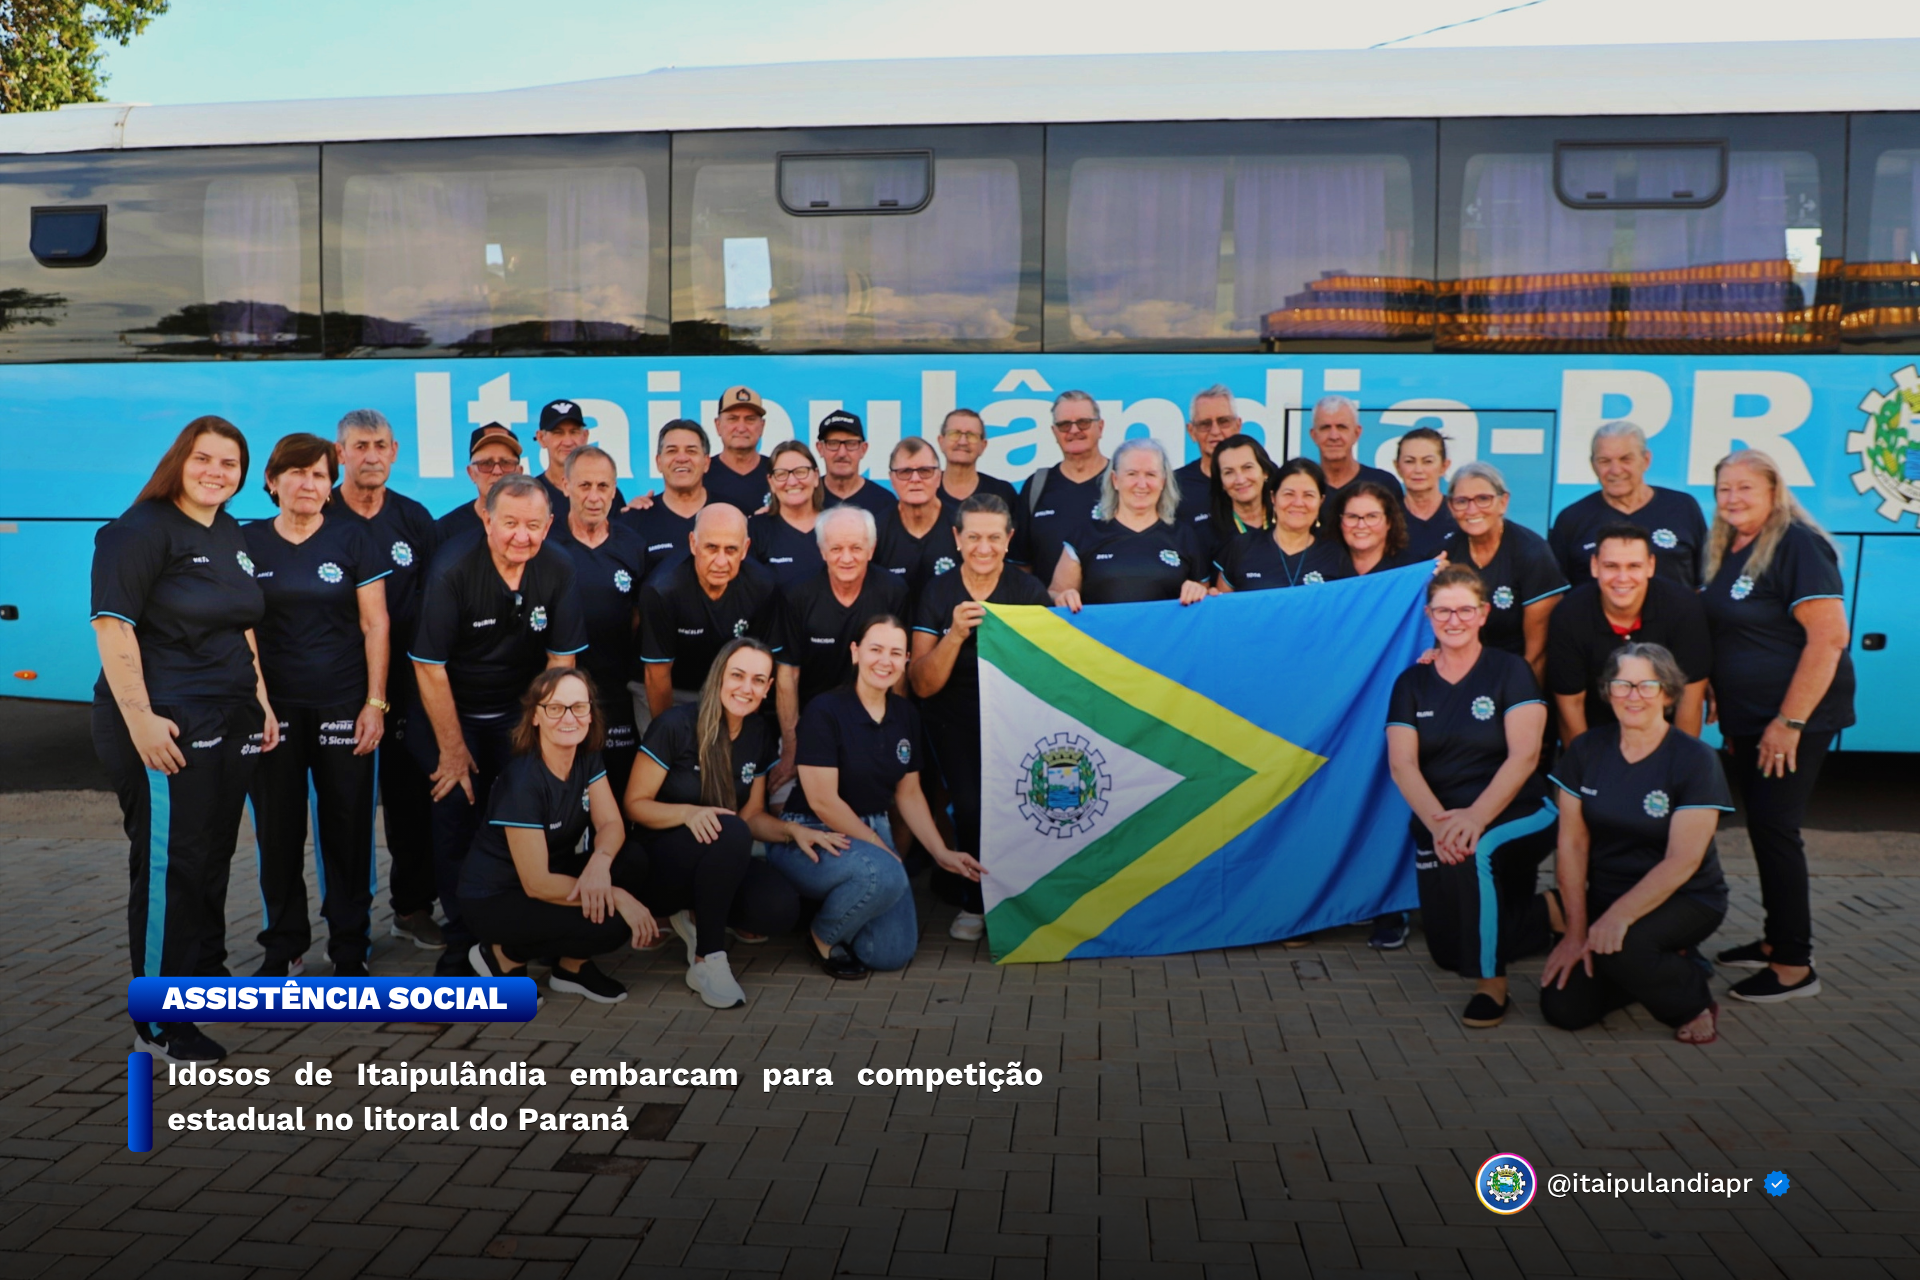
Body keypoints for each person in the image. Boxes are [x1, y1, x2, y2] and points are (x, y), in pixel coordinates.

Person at [91, 416, 279, 1064]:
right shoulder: (137, 531)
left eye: (229, 463)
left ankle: (202, 978)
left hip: (230, 714)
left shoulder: (227, 529)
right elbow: (113, 628)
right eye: (204, 458)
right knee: (173, 864)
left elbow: (241, 624)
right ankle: (159, 1022)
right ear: (180, 460)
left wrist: (261, 700)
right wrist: (140, 719)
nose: (216, 472)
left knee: (211, 855)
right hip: (168, 719)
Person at [410, 473, 587, 974]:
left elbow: (560, 664)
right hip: (451, 712)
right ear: (486, 519)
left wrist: (548, 737)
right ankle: (461, 946)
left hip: (518, 714)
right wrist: (453, 750)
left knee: (525, 820)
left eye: (533, 525)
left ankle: (521, 935)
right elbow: (429, 667)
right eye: (510, 523)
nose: (521, 536)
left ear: (549, 525)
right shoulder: (452, 568)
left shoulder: (558, 566)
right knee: (456, 823)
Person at [1700, 448, 1854, 1004]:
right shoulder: (1731, 546)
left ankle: (1793, 965)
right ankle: (1774, 940)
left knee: (1776, 829)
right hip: (1750, 719)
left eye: (1746, 487)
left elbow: (1829, 638)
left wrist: (1788, 722)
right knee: (1765, 829)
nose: (1733, 498)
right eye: (1725, 489)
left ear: (1773, 491)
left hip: (1791, 719)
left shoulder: (1797, 544)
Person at [244, 433, 391, 979]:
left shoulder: (354, 538)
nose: (308, 484)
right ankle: (283, 945)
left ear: (331, 485)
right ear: (272, 480)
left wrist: (374, 703)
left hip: (343, 706)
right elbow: (241, 628)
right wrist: (258, 703)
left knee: (348, 830)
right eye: (297, 472)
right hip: (273, 712)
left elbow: (376, 624)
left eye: (320, 474)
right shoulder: (246, 541)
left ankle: (350, 944)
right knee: (277, 832)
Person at [1385, 565, 1558, 1029]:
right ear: (1428, 615)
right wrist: (1440, 823)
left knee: (1472, 851)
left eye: (1464, 610)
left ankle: (1491, 983)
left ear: (1483, 613)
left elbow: (1524, 757)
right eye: (1443, 611)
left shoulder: (1510, 670)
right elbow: (1402, 765)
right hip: (1441, 816)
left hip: (1519, 809)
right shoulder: (1411, 682)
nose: (1454, 620)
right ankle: (1549, 912)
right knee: (1446, 950)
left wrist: (1475, 818)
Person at [770, 615, 986, 976]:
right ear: (856, 653)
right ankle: (821, 937)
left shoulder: (905, 714)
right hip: (812, 832)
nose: (885, 661)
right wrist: (878, 847)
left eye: (896, 653)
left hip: (873, 828)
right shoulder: (824, 710)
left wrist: (940, 851)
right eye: (876, 649)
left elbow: (910, 793)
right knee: (883, 873)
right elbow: (823, 801)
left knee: (890, 953)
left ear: (905, 661)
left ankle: (840, 902)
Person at [1540, 644, 1731, 1044]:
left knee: (1625, 948)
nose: (1633, 696)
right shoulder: (1586, 750)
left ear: (1667, 693)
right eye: (1622, 685)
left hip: (1687, 897)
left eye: (1647, 685)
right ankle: (1640, 972)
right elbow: (1572, 845)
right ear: (1607, 691)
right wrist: (1576, 933)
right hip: (1608, 892)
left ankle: (1691, 998)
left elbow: (1683, 860)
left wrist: (1617, 917)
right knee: (1564, 1008)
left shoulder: (1695, 758)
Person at [624, 638, 813, 1008]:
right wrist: (688, 813)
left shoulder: (758, 732)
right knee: (730, 831)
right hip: (661, 861)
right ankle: (707, 960)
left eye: (758, 680)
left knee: (779, 908)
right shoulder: (675, 725)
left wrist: (791, 830)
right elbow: (634, 805)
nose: (746, 688)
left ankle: (701, 912)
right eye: (737, 675)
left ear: (768, 688)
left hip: (720, 853)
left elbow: (751, 816)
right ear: (718, 677)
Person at [462, 668, 657, 1003]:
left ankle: (571, 969)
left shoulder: (586, 755)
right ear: (535, 716)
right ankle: (502, 955)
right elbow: (537, 883)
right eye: (555, 708)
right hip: (497, 896)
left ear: (591, 713)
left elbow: (611, 823)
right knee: (611, 923)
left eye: (579, 707)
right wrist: (616, 896)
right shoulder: (523, 782)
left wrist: (600, 862)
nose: (569, 718)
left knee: (632, 860)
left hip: (552, 876)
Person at [911, 493, 1052, 941]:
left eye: (994, 538)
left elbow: (1049, 671)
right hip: (951, 719)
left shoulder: (1029, 592)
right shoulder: (937, 591)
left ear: (1009, 539)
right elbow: (921, 684)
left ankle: (1020, 901)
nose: (984, 548)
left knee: (1023, 806)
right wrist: (954, 635)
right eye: (973, 537)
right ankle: (975, 902)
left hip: (1014, 720)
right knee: (970, 808)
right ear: (957, 538)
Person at [331, 408, 445, 951]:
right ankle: (344, 929)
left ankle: (412, 907)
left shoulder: (413, 519)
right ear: (341, 454)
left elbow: (436, 603)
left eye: (380, 445)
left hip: (403, 688)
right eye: (360, 446)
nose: (371, 456)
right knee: (344, 812)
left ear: (395, 452)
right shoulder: (322, 511)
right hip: (335, 686)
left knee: (409, 803)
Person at [770, 505, 908, 791]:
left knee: (888, 797)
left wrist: (894, 732)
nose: (846, 558)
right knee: (783, 800)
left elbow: (899, 672)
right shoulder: (797, 595)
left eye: (856, 548)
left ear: (871, 549)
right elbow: (788, 675)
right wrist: (792, 747)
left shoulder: (893, 591)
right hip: (810, 721)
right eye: (836, 549)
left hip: (873, 721)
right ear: (822, 551)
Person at [546, 445, 649, 799]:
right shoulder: (545, 544)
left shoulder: (633, 544)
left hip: (617, 695)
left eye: (603, 486)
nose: (594, 497)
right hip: (560, 693)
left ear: (614, 489)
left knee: (617, 791)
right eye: (584, 485)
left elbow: (637, 616)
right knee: (564, 791)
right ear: (565, 486)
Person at [1545, 523, 1709, 741]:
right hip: (1596, 735)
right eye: (1611, 566)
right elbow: (1570, 706)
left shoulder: (1683, 609)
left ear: (1650, 566)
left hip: (1664, 735)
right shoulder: (1569, 615)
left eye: (1634, 566)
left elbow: (1690, 700)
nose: (1622, 578)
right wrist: (1584, 761)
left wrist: (1678, 759)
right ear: (1594, 566)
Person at [637, 504, 779, 718]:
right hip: (670, 688)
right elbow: (657, 673)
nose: (721, 562)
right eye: (711, 548)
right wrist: (666, 733)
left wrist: (743, 726)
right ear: (693, 544)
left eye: (731, 550)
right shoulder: (662, 590)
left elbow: (757, 664)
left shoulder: (763, 586)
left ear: (745, 549)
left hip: (731, 689)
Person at [1050, 438, 1210, 610]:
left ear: (1163, 481)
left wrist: (1198, 591)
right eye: (1132, 474)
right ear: (1115, 480)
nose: (1141, 484)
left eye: (1151, 474)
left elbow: (1206, 600)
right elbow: (1055, 593)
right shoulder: (1084, 536)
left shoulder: (1184, 536)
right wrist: (1063, 597)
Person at [1549, 421, 1707, 589]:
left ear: (1646, 460)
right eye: (1604, 461)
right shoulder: (1571, 519)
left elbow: (1703, 584)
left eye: (1625, 459)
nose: (1615, 470)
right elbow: (1558, 592)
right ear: (1593, 465)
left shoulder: (1683, 508)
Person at [1447, 461, 1566, 681]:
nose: (1472, 510)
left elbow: (1537, 654)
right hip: (1460, 674)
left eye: (1483, 499)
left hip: (1515, 674)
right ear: (1451, 507)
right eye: (1462, 501)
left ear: (1503, 502)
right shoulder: (1445, 553)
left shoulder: (1533, 553)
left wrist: (1520, 696)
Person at [1213, 457, 1347, 592]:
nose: (1298, 503)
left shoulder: (1335, 556)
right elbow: (1222, 602)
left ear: (1321, 501)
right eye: (1289, 494)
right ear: (1273, 498)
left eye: (1308, 495)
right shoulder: (1242, 547)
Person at [1017, 390, 1110, 584]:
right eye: (1064, 425)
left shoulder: (1123, 482)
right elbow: (1021, 564)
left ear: (1100, 427)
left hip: (1111, 604)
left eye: (1083, 422)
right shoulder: (1037, 486)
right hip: (1049, 603)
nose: (1074, 430)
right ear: (1054, 432)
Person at [619, 419, 710, 581]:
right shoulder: (633, 521)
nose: (681, 458)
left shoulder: (731, 515)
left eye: (691, 451)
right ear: (659, 462)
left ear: (706, 463)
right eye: (672, 451)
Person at [873, 437, 962, 603]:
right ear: (891, 479)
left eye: (925, 471)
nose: (915, 479)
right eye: (905, 472)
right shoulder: (876, 531)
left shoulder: (962, 526)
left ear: (939, 477)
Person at [748, 440, 827, 588]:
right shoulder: (755, 530)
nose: (792, 481)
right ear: (771, 482)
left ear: (816, 477)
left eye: (801, 472)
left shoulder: (837, 527)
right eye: (781, 474)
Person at [532, 398, 624, 520]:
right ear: (541, 438)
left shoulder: (605, 493)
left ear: (585, 436)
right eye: (558, 433)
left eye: (574, 432)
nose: (568, 442)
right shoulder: (531, 493)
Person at [436, 423, 523, 551]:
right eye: (486, 464)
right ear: (471, 473)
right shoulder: (447, 529)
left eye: (506, 463)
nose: (497, 471)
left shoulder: (536, 525)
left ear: (519, 472)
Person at [1173, 384, 1244, 534]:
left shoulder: (1261, 478)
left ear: (1238, 426)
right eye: (1205, 424)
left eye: (1223, 421)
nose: (1215, 431)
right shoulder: (1175, 485)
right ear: (1191, 432)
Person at [1310, 395, 1402, 501]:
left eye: (1342, 427)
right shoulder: (1302, 487)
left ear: (1357, 433)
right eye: (1325, 428)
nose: (1334, 436)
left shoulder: (1384, 484)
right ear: (1314, 435)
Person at [706, 384, 775, 514]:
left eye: (750, 419)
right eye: (733, 419)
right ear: (718, 425)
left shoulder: (778, 472)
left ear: (762, 426)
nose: (741, 428)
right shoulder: (701, 474)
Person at [816, 408, 895, 518]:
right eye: (833, 443)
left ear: (863, 449)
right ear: (820, 448)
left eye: (851, 444)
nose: (842, 453)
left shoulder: (884, 502)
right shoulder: (808, 497)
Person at [1393, 426, 1458, 561]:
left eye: (1427, 461)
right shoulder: (1387, 519)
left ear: (1444, 466)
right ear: (1397, 467)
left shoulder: (1460, 514)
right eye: (1409, 461)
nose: (1418, 469)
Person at [1328, 480, 1417, 577]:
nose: (1361, 525)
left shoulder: (1411, 570)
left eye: (1372, 516)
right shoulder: (1324, 566)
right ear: (1340, 522)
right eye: (1352, 516)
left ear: (1389, 522)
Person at [1204, 432, 1278, 550]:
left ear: (1265, 472)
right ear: (1221, 482)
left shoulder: (1287, 522)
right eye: (1229, 472)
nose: (1240, 480)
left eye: (1247, 467)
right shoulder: (1206, 535)